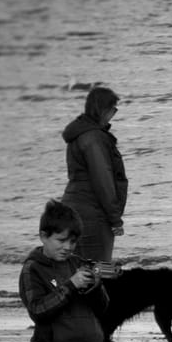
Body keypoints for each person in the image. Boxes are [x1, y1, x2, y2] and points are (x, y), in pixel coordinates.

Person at [19, 199, 114, 342]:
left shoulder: (78, 263)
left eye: (73, 242)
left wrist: (96, 287)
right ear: (43, 236)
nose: (68, 247)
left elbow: (102, 308)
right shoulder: (33, 268)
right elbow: (37, 310)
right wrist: (71, 286)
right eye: (61, 240)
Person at [60, 86, 128, 263]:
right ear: (104, 110)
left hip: (71, 209)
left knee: (76, 269)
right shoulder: (94, 138)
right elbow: (103, 180)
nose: (113, 115)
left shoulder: (79, 134)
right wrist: (115, 219)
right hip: (93, 214)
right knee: (98, 269)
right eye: (113, 110)